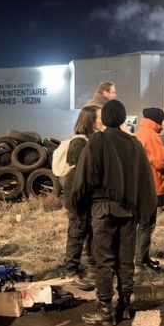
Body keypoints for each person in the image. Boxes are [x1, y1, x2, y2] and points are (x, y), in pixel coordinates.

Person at [71, 100, 157, 326]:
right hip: (128, 210)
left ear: (105, 118)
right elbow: (145, 180)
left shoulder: (96, 141)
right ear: (122, 117)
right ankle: (125, 304)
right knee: (125, 259)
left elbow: (84, 177)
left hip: (101, 209)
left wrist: (78, 205)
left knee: (104, 261)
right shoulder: (134, 144)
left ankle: (105, 309)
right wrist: (146, 209)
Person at [63, 105, 102, 291]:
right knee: (77, 233)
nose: (102, 120)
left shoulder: (90, 140)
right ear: (91, 120)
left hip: (88, 197)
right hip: (78, 198)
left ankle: (92, 268)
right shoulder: (79, 143)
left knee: (91, 232)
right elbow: (81, 175)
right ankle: (71, 272)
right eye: (99, 117)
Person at [134, 107, 164, 274]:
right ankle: (140, 260)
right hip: (151, 186)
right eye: (162, 121)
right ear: (157, 120)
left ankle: (141, 257)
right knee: (147, 225)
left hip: (138, 186)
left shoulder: (140, 132)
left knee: (140, 223)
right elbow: (161, 162)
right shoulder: (152, 136)